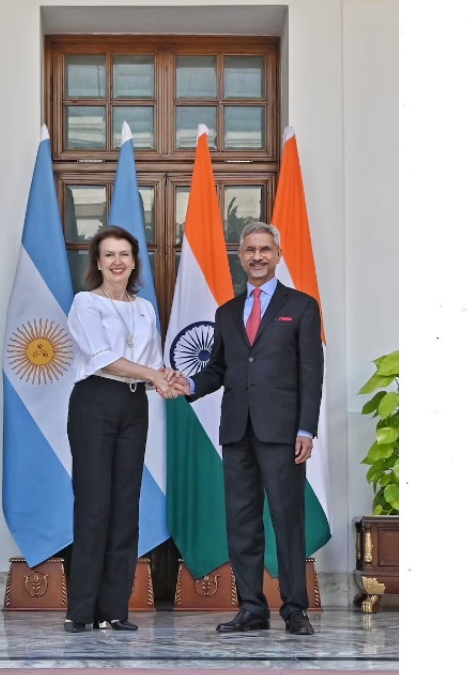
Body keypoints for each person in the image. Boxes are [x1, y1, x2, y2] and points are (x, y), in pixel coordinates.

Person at [169, 221, 323, 636]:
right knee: (242, 522)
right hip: (237, 432)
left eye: (265, 250)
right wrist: (190, 385)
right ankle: (252, 608)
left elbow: (311, 373)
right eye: (250, 250)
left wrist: (306, 429)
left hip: (283, 434)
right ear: (240, 256)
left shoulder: (302, 307)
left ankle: (295, 609)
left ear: (278, 255)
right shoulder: (227, 312)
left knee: (287, 521)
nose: (257, 257)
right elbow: (219, 369)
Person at [63, 226, 178, 633]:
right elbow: (103, 357)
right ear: (97, 262)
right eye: (109, 254)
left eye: (124, 254)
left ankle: (114, 610)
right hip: (95, 402)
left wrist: (169, 381)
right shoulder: (85, 303)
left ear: (134, 262)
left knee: (126, 505)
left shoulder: (144, 307)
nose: (117, 261)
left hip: (134, 405)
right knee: (95, 504)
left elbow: (153, 362)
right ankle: (81, 611)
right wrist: (154, 375)